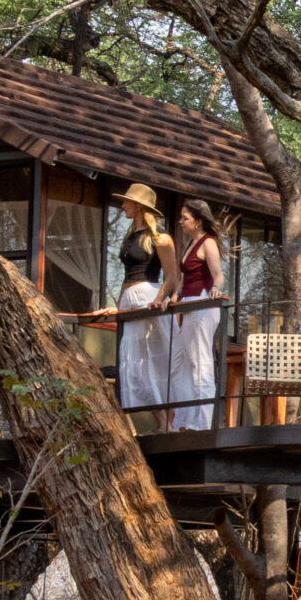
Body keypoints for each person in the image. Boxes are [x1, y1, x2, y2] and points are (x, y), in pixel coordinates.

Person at [110, 183, 178, 427]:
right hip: (129, 299)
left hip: (147, 296)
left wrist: (159, 299)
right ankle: (157, 422)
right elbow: (125, 276)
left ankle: (165, 422)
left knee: (149, 360)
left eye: (127, 202)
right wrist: (117, 306)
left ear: (138, 206)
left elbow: (172, 276)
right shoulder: (130, 237)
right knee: (131, 361)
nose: (123, 205)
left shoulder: (160, 237)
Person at [161, 197, 226, 432]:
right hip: (186, 305)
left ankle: (201, 424)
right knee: (180, 363)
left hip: (201, 304)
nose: (180, 222)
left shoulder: (208, 243)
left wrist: (215, 290)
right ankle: (183, 420)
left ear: (198, 221)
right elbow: (182, 278)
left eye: (185, 218)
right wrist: (175, 295)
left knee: (201, 363)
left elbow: (217, 274)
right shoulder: (190, 244)